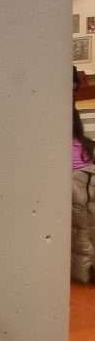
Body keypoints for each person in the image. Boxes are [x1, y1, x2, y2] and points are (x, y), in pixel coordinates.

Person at [74, 107, 95, 282]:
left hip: (75, 192)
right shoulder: (88, 143)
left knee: (80, 233)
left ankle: (85, 273)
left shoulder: (55, 145)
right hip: (90, 188)